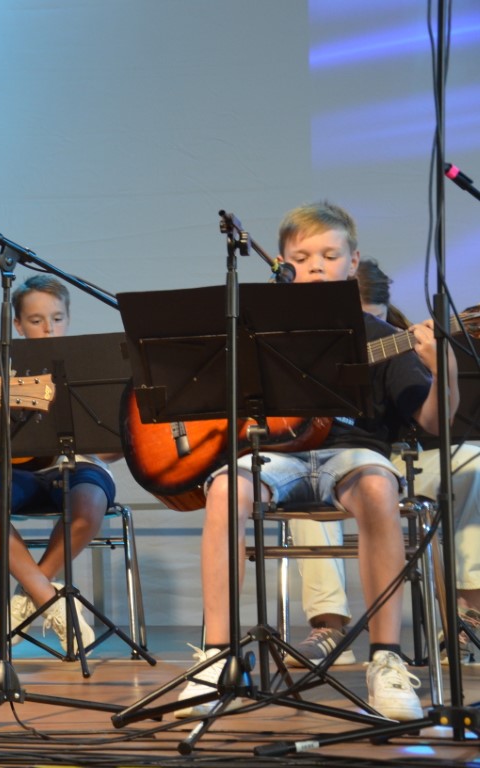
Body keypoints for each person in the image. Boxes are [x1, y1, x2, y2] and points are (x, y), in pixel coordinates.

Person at [175, 201, 459, 722]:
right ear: (283, 265)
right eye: (303, 258)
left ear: (352, 263)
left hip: (351, 454)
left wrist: (445, 372)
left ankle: (386, 659)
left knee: (378, 486)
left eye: (330, 256)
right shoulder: (256, 334)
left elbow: (433, 422)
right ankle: (216, 657)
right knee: (225, 490)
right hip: (275, 456)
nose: (317, 267)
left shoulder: (380, 336)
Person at [286, 258, 480, 667]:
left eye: (369, 320)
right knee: (310, 476)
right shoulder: (299, 343)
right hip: (332, 458)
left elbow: (433, 422)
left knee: (472, 462)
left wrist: (437, 370)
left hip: (401, 458)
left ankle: (468, 617)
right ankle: (328, 625)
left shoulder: (400, 338)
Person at [0, 275, 116, 650]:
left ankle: (31, 593)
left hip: (77, 466)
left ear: (68, 318)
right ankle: (49, 598)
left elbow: (110, 452)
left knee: (90, 500)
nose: (49, 328)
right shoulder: (4, 363)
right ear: (18, 325)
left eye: (57, 318)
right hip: (18, 470)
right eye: (36, 320)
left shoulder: (89, 365)